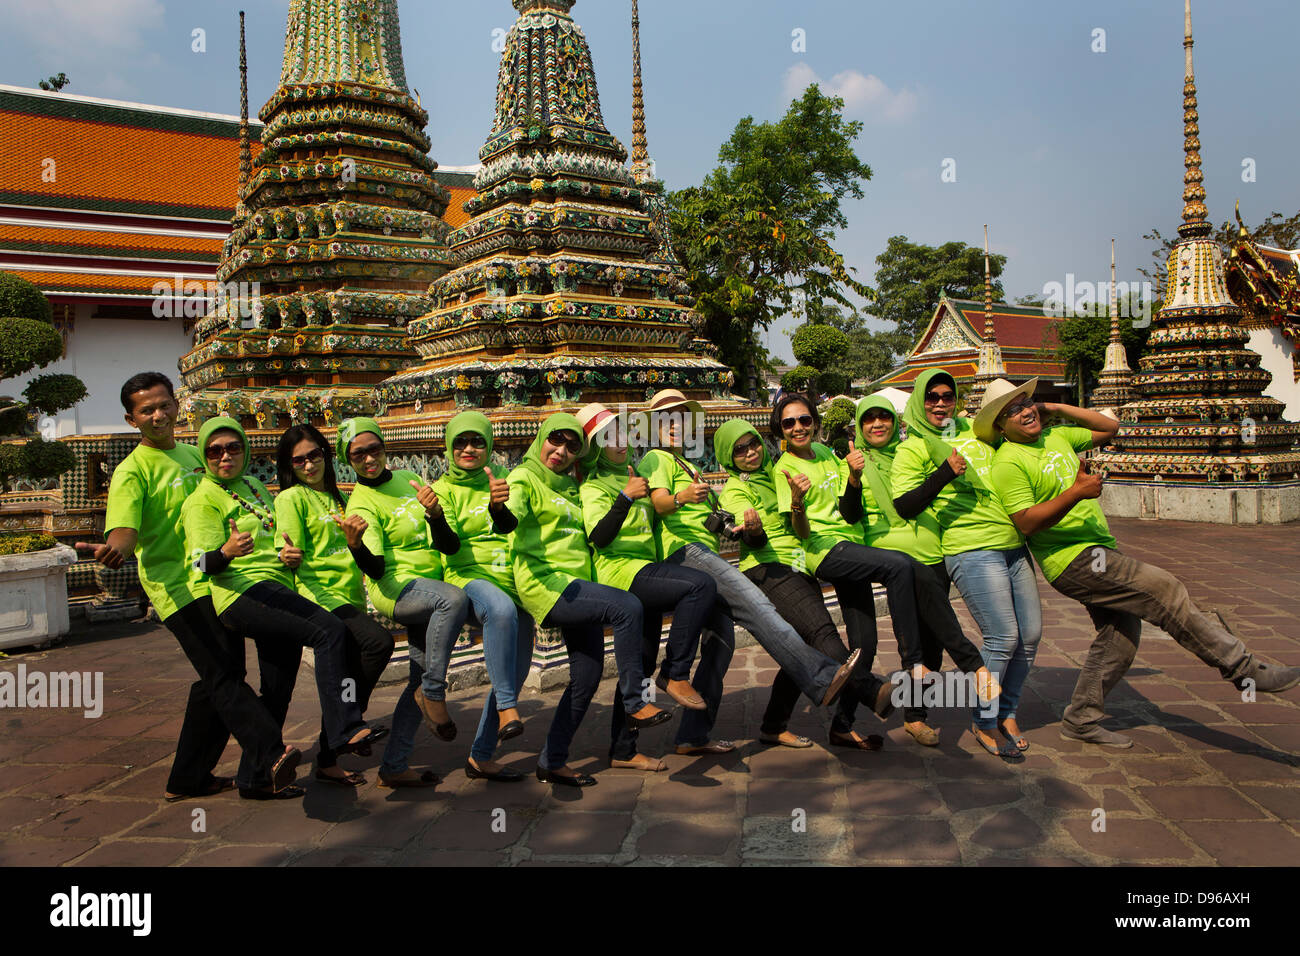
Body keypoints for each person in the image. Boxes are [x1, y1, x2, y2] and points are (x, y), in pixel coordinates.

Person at [981, 377, 1300, 748]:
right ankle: (1244, 669)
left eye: (1025, 402)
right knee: (1164, 588)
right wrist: (1076, 492)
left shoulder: (1058, 437)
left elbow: (1111, 427)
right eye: (1012, 411)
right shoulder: (1008, 462)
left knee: (1120, 637)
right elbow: (1027, 522)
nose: (1024, 411)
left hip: (1101, 549)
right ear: (1000, 426)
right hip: (1072, 560)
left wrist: (1055, 408)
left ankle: (1082, 717)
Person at [79, 372, 299, 801]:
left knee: (214, 679)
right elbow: (124, 530)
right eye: (147, 410)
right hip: (178, 586)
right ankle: (269, 752)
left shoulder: (195, 455)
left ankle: (189, 777)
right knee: (224, 673)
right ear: (131, 419)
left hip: (217, 575)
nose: (158, 415)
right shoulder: (132, 471)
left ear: (177, 405)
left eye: (164, 405)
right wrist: (115, 549)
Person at [639, 388, 860, 757]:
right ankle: (821, 678)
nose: (675, 425)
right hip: (685, 554)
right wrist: (680, 498)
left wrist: (734, 527)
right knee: (758, 606)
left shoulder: (685, 465)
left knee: (720, 648)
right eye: (666, 419)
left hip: (705, 553)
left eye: (682, 418)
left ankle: (692, 735)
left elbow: (707, 520)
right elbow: (660, 503)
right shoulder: (657, 458)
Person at [180, 416, 387, 797]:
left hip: (276, 588)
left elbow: (278, 538)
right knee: (330, 631)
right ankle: (343, 727)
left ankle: (255, 778)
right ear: (204, 455)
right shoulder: (201, 501)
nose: (225, 456)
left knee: (278, 687)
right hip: (242, 593)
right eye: (215, 450)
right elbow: (196, 564)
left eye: (233, 448)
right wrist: (224, 553)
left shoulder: (254, 487)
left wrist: (284, 552)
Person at [772, 392, 958, 750]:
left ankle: (842, 726)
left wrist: (855, 475)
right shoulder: (785, 468)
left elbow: (849, 504)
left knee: (864, 646)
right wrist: (796, 500)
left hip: (853, 548)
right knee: (899, 565)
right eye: (789, 423)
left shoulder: (828, 454)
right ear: (780, 429)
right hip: (827, 551)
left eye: (805, 420)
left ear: (816, 423)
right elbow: (801, 532)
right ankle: (913, 659)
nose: (798, 428)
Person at [715, 418, 897, 750]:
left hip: (801, 565)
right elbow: (750, 536)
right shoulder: (735, 489)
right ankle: (871, 691)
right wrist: (753, 527)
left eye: (753, 443)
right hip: (770, 568)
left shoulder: (776, 474)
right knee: (820, 632)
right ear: (729, 456)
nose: (750, 452)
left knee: (804, 647)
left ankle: (773, 725)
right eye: (739, 449)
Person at [891, 369, 1040, 760]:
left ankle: (1001, 710)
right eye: (931, 397)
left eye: (947, 395)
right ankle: (970, 716)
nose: (941, 403)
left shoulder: (975, 433)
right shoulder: (909, 448)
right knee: (935, 645)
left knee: (1024, 637)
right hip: (930, 553)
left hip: (988, 544)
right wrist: (945, 472)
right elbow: (903, 504)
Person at [507, 413, 651, 787]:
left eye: (573, 446)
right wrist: (498, 509)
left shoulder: (573, 485)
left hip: (579, 586)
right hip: (548, 585)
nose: (561, 451)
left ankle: (551, 761)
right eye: (556, 440)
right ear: (541, 438)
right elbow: (509, 516)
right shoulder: (524, 477)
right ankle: (635, 701)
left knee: (586, 677)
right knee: (627, 606)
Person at [575, 403, 715, 773]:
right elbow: (599, 539)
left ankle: (623, 749)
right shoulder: (595, 486)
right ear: (595, 448)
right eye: (608, 438)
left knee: (640, 662)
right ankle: (677, 672)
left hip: (649, 570)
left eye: (622, 433)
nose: (619, 443)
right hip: (621, 574)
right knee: (699, 585)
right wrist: (624, 497)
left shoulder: (636, 473)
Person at [854, 393, 998, 748]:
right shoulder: (855, 462)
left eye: (883, 417)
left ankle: (917, 715)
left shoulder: (917, 451)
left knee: (931, 644)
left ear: (895, 421)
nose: (877, 424)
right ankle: (971, 663)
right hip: (894, 556)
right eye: (869, 419)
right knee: (914, 639)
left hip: (933, 550)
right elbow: (862, 513)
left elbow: (929, 494)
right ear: (859, 426)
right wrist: (853, 480)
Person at [338, 417, 470, 788]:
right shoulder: (361, 502)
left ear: (384, 448)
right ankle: (432, 690)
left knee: (417, 672)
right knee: (454, 600)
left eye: (374, 449)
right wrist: (355, 545)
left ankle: (394, 765)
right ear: (348, 460)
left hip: (429, 586)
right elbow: (376, 570)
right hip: (397, 589)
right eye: (358, 454)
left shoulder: (406, 482)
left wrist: (436, 513)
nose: (368, 459)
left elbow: (448, 545)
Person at [274, 423, 395, 787]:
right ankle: (348, 726)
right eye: (299, 461)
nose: (309, 466)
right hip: (319, 596)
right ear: (289, 466)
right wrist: (286, 554)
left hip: (349, 595)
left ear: (326, 456)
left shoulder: (341, 498)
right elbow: (286, 544)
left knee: (355, 667)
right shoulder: (291, 498)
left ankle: (329, 754)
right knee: (379, 642)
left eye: (314, 456)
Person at [430, 411, 532, 783]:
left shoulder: (500, 482)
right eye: (460, 442)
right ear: (449, 447)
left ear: (488, 445)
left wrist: (498, 507)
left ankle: (481, 756)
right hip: (469, 576)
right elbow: (449, 545)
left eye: (477, 442)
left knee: (516, 670)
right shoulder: (443, 488)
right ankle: (507, 708)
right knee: (501, 611)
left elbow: (509, 527)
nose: (469, 449)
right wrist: (436, 516)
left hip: (512, 576)